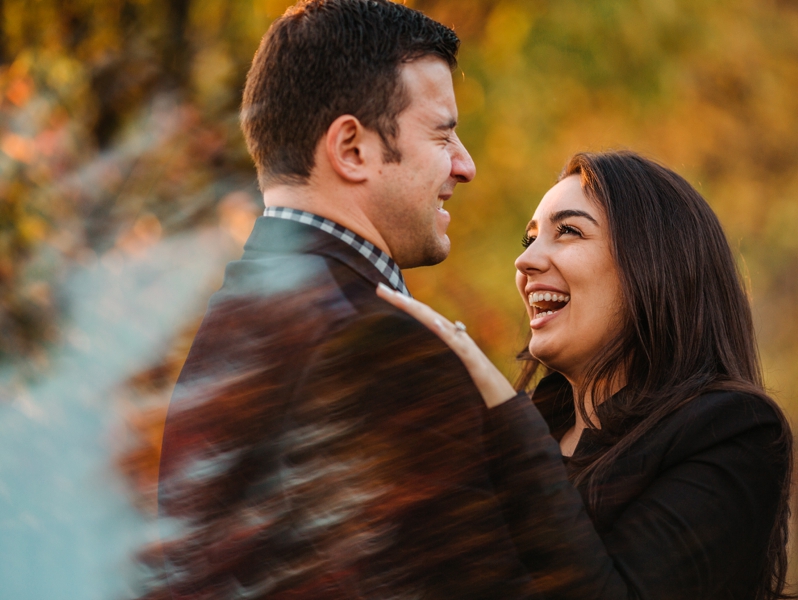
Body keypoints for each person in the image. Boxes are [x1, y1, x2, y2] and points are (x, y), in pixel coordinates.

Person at [148, 1, 546, 598]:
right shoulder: (373, 343)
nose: (465, 166)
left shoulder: (237, 318)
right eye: (442, 134)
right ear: (352, 149)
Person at [379, 150, 796, 600]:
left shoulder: (732, 430)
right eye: (529, 239)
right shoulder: (526, 429)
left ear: (654, 263)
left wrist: (505, 419)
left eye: (569, 232)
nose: (525, 261)